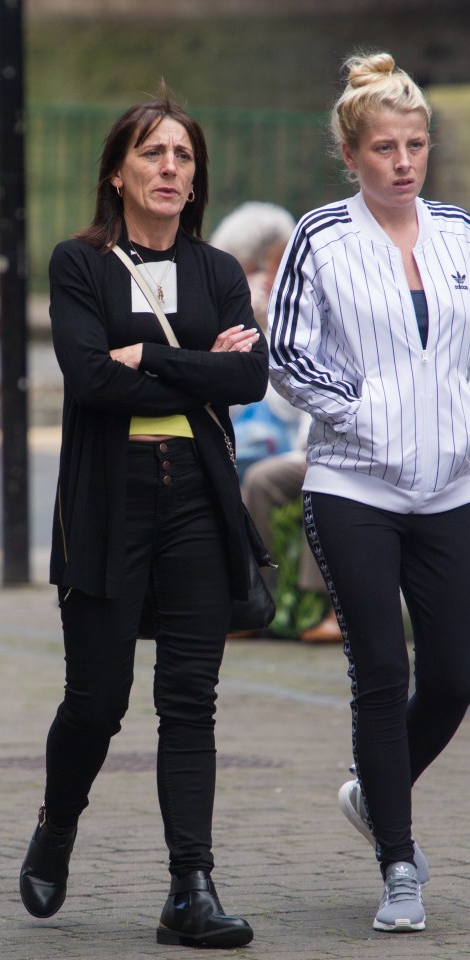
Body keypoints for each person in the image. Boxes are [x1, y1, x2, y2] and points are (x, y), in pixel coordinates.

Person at [19, 84, 268, 949]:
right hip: (106, 500)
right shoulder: (78, 263)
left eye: (183, 156)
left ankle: (188, 890)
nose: (170, 168)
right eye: (153, 153)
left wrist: (154, 355)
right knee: (96, 701)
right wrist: (196, 360)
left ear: (196, 179)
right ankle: (56, 824)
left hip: (197, 497)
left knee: (189, 700)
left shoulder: (217, 271)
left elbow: (248, 381)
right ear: (117, 172)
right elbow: (91, 380)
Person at [269, 51, 470, 933]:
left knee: (454, 676)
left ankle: (368, 790)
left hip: (450, 488)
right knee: (381, 672)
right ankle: (398, 862)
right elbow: (285, 352)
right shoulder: (321, 236)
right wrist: (358, 409)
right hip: (353, 483)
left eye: (415, 144)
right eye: (384, 147)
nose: (402, 161)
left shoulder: (460, 231)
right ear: (350, 155)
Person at [210, 203, 340, 641]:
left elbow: (289, 399)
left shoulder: (309, 295)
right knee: (254, 478)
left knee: (317, 477)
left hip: (323, 438)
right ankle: (257, 598)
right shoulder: (249, 298)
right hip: (284, 439)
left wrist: (267, 323)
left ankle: (320, 606)